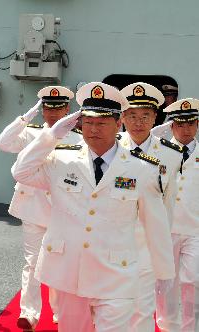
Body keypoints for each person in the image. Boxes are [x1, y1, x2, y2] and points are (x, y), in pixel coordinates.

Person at [12, 82, 175, 332]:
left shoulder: (142, 168)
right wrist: (50, 136)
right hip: (69, 274)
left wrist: (164, 273)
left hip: (115, 275)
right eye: (88, 122)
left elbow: (156, 224)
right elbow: (20, 171)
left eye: (101, 123)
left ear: (118, 123)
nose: (93, 129)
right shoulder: (62, 159)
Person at [0, 85, 82, 330]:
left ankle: (58, 310)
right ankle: (29, 313)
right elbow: (3, 143)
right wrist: (25, 117)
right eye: (47, 109)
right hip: (33, 207)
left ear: (67, 109)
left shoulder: (78, 138)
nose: (52, 114)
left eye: (58, 109)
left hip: (64, 209)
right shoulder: (30, 133)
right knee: (32, 262)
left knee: (60, 261)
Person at [119, 82, 183, 331]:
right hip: (111, 242)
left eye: (145, 115)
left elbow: (167, 204)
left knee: (143, 310)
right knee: (111, 306)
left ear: (155, 117)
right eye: (132, 115)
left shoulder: (172, 154)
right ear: (122, 117)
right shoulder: (109, 146)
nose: (138, 122)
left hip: (146, 243)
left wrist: (163, 253)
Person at [156, 98, 199, 332]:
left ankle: (191, 328)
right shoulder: (158, 152)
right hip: (166, 227)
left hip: (195, 229)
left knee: (194, 280)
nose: (186, 129)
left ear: (197, 125)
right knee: (166, 282)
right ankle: (167, 326)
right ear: (171, 126)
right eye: (180, 124)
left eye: (191, 124)